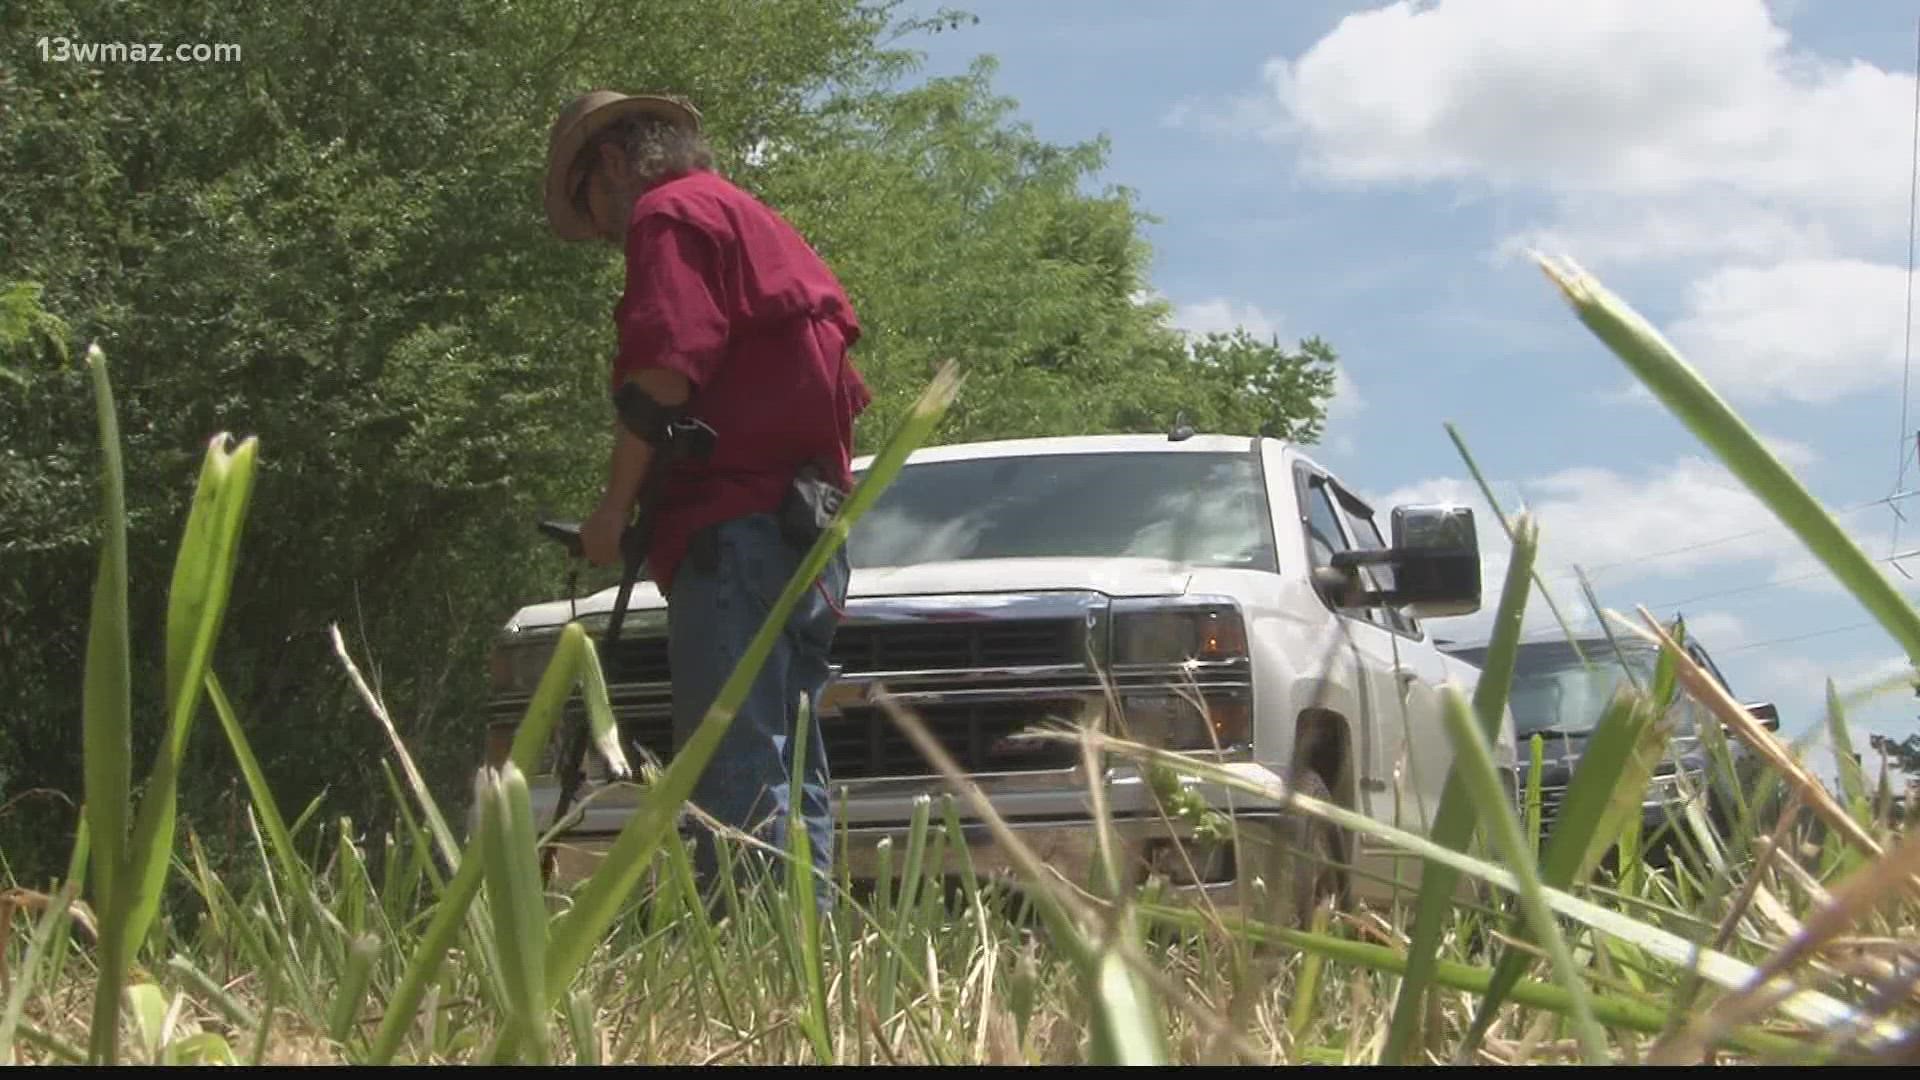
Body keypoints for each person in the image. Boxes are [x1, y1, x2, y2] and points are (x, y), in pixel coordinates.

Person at [543, 90, 869, 904]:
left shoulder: (669, 214)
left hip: (734, 531)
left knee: (731, 762)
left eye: (593, 206)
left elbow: (662, 375)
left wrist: (611, 517)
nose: (610, 233)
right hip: (808, 532)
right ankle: (800, 956)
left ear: (613, 164)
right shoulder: (755, 223)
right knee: (789, 763)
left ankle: (754, 964)